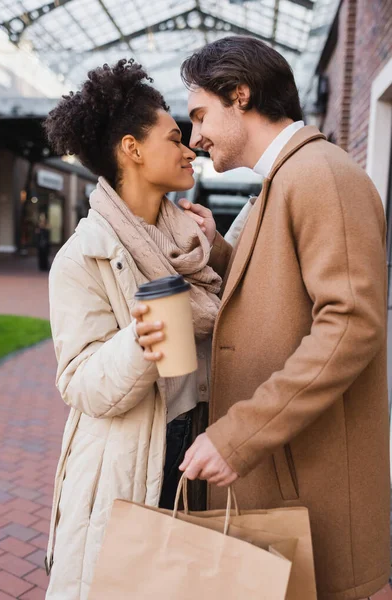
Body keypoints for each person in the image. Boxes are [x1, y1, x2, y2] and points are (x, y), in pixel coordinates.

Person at [135, 36, 390, 600]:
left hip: (309, 477)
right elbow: (286, 288)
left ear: (241, 96)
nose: (195, 137)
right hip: (289, 471)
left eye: (200, 114)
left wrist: (240, 435)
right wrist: (222, 250)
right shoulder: (286, 179)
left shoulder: (320, 176)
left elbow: (351, 325)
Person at [43, 58, 220, 600]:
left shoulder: (192, 241)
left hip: (200, 450)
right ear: (133, 149)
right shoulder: (82, 258)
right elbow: (79, 382)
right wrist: (140, 341)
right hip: (127, 464)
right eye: (175, 137)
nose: (191, 149)